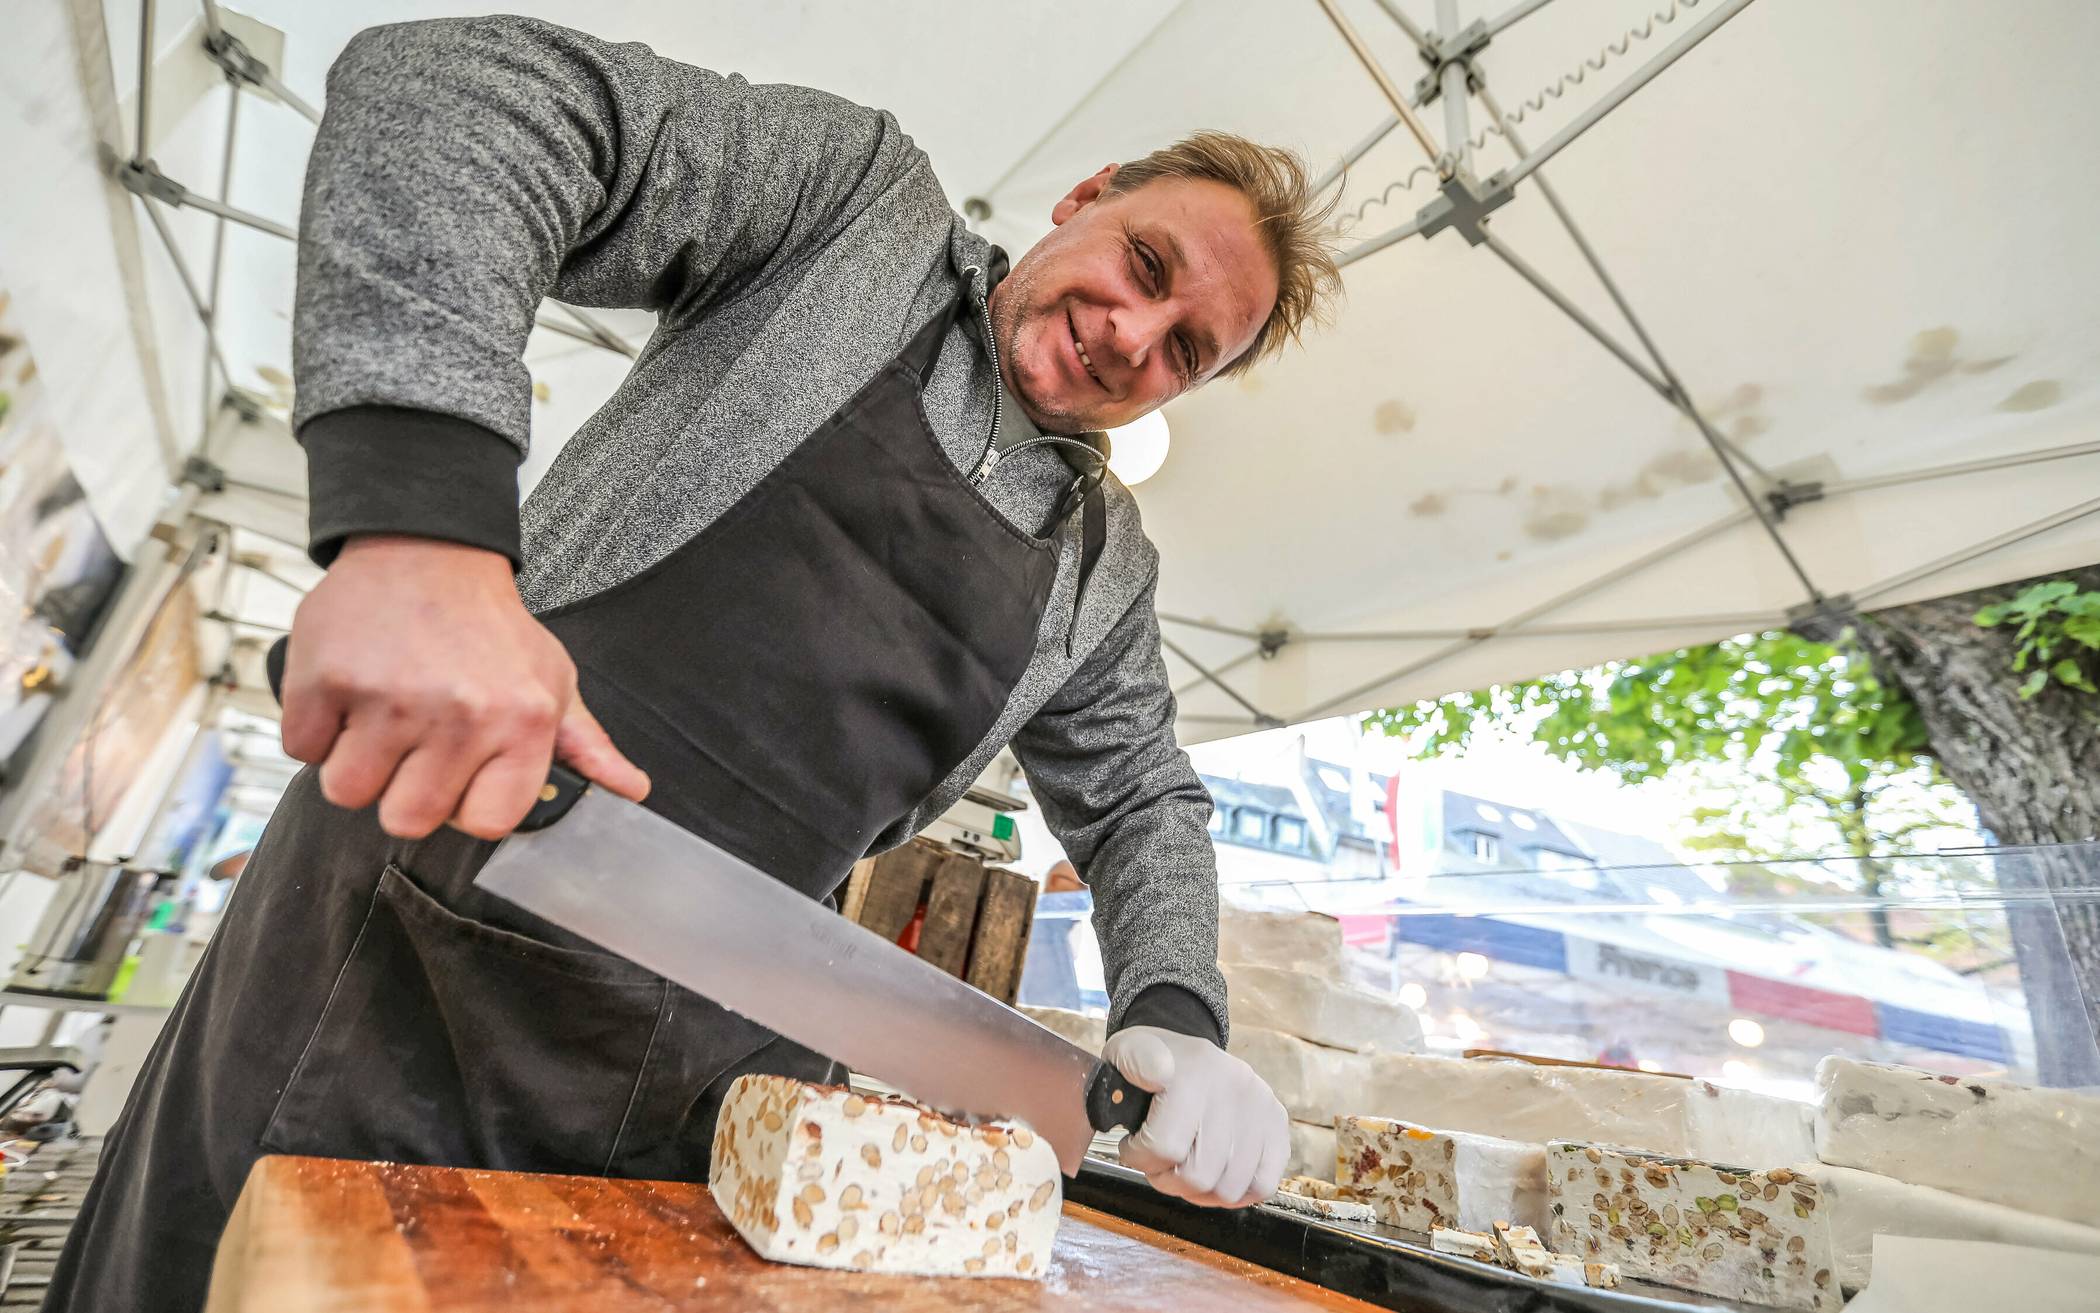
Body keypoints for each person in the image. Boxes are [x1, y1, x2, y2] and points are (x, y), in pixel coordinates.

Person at [43, 15, 1341, 1309]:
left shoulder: (1099, 563)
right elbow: (466, 92)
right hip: (409, 939)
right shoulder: (859, 211)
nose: (1133, 333)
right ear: (1083, 198)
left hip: (718, 1092)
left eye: (1184, 349)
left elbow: (1145, 803)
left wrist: (1177, 1009)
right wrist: (423, 530)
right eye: (1145, 262)